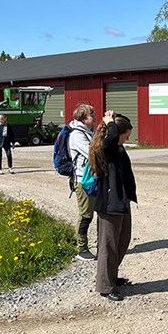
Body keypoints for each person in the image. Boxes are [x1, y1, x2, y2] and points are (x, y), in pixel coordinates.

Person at [89, 111, 137, 302]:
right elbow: (110, 138)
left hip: (121, 200)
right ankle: (105, 286)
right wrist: (110, 122)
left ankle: (112, 277)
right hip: (110, 203)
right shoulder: (106, 147)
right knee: (108, 245)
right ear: (117, 133)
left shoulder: (117, 148)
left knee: (122, 240)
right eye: (126, 135)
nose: (128, 139)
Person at [68, 104, 97, 261]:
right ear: (83, 118)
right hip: (82, 180)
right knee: (85, 215)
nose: (94, 117)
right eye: (91, 115)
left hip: (91, 178)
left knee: (91, 213)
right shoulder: (77, 135)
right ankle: (81, 248)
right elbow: (93, 153)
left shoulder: (88, 132)